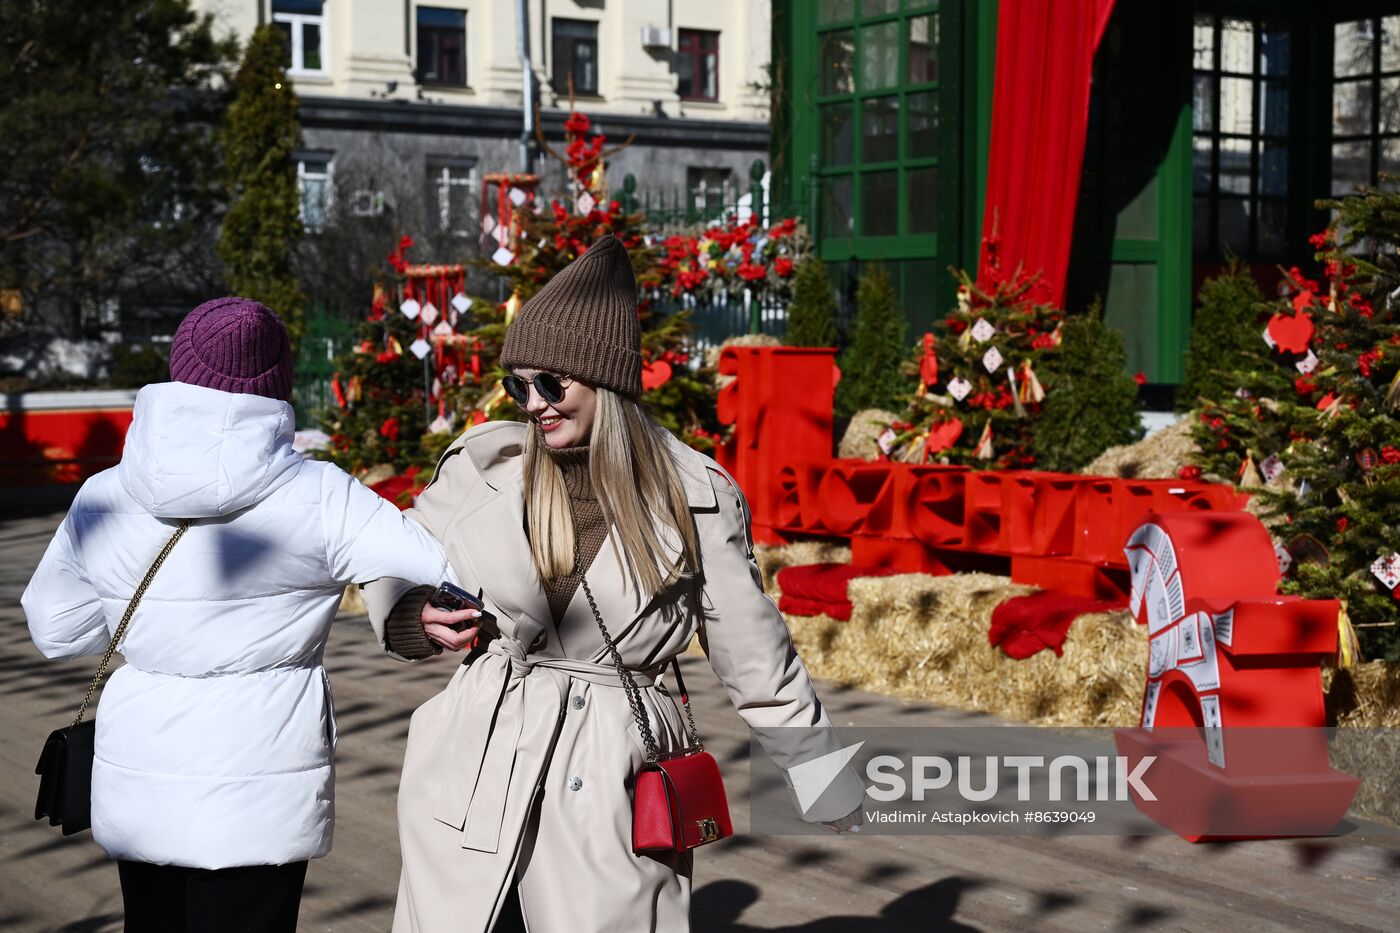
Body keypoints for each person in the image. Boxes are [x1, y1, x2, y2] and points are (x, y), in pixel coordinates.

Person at [362, 235, 866, 933]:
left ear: (604, 378)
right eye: (519, 384)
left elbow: (755, 656)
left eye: (551, 383)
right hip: (475, 762)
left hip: (608, 773)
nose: (532, 403)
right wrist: (414, 613)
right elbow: (392, 556)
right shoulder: (483, 469)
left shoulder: (694, 496)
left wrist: (819, 772)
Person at [22, 298, 471, 933]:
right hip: (259, 790)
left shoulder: (104, 492)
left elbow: (56, 630)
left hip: (141, 777)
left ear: (177, 372)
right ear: (278, 386)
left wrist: (149, 616)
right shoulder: (319, 495)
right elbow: (445, 564)